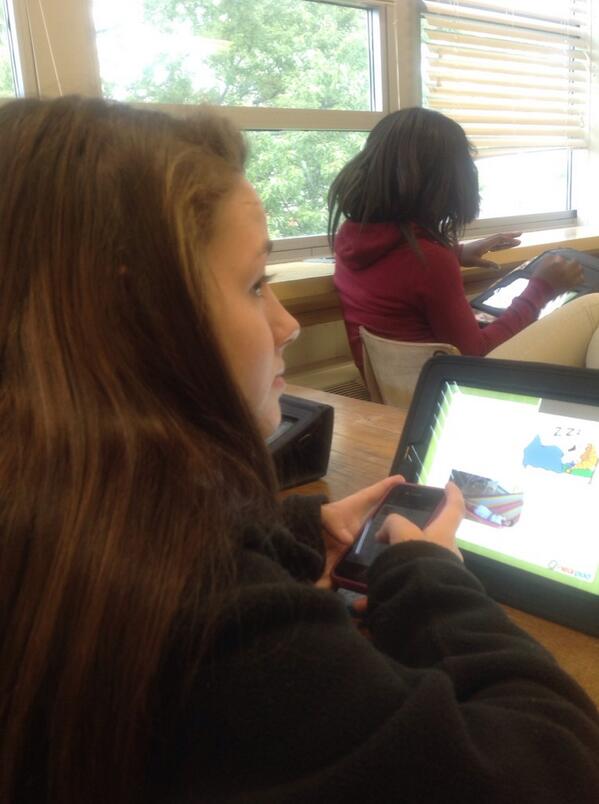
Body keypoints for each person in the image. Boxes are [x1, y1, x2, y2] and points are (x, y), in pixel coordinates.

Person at [0, 97, 598, 804]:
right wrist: (431, 575)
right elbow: (556, 766)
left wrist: (292, 533)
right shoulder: (218, 630)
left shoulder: (51, 533)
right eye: (256, 285)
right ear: (132, 321)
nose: (286, 325)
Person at [328, 107, 585, 375]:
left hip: (393, 388)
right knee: (592, 308)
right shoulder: (430, 261)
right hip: (446, 390)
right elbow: (475, 355)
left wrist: (457, 253)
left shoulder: (350, 237)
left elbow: (397, 272)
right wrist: (542, 289)